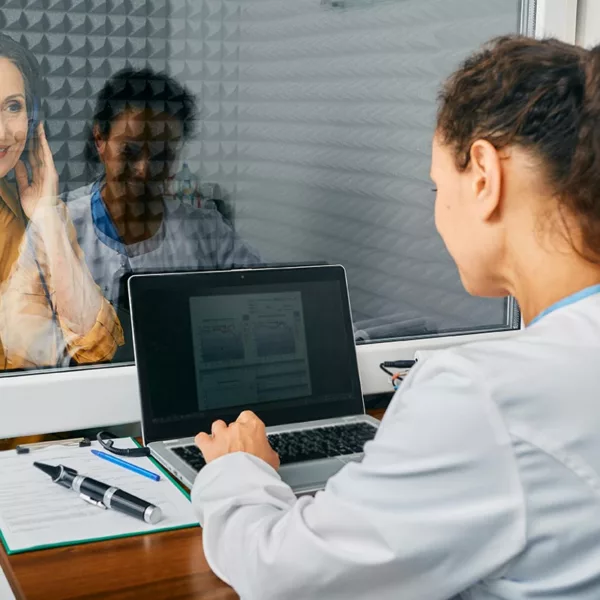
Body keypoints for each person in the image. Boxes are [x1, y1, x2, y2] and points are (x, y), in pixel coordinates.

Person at [190, 36, 600, 599]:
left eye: (437, 185)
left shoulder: (482, 395)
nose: (436, 209)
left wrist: (239, 471)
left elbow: (280, 575)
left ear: (482, 175)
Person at [64, 67, 261, 318]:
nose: (145, 170)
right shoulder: (58, 226)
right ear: (100, 139)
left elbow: (262, 294)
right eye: (130, 152)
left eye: (163, 156)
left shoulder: (206, 231)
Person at [0, 33, 123, 373]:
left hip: (45, 423)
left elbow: (96, 350)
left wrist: (47, 220)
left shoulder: (42, 217)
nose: (1, 132)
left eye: (13, 107)